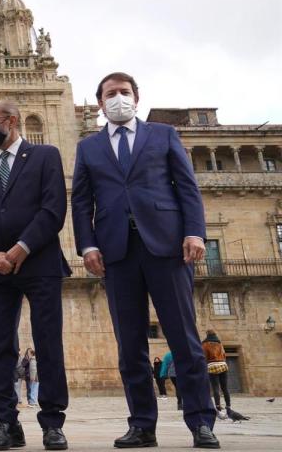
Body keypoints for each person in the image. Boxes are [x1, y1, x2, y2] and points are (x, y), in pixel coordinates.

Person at [72, 72, 219, 449]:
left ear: (135, 98)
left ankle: (201, 422)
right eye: (110, 94)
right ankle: (142, 425)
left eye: (124, 92)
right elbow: (81, 200)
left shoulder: (163, 135)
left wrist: (194, 232)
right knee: (130, 343)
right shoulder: (88, 148)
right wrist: (86, 246)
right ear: (101, 104)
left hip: (167, 246)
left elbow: (187, 187)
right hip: (116, 252)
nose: (118, 98)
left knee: (185, 339)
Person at [0, 99, 70, 451]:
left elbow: (54, 208)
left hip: (39, 262)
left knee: (47, 342)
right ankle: (5, 423)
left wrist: (21, 247)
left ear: (12, 122)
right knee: (0, 346)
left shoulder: (45, 156)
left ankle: (53, 423)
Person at [201, 331, 230, 419]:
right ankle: (228, 406)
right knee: (225, 387)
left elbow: (204, 356)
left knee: (215, 388)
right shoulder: (219, 343)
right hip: (222, 365)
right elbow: (224, 354)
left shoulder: (205, 344)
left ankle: (218, 407)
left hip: (212, 365)